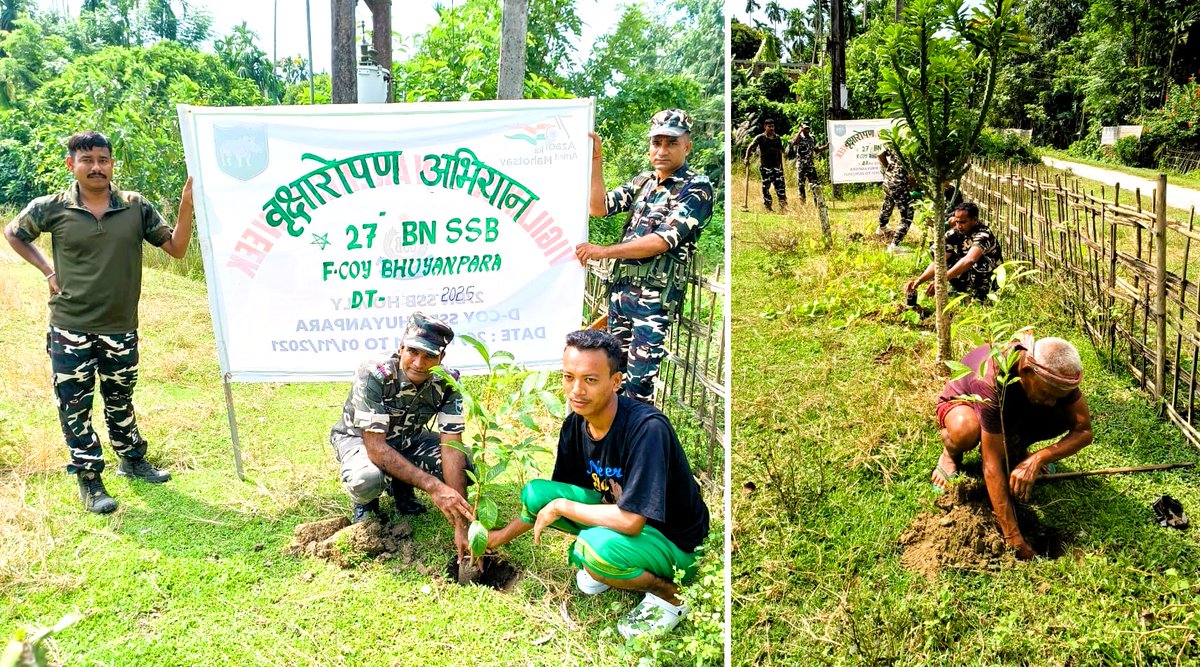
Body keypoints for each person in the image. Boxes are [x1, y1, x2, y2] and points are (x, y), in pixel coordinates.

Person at [2, 130, 194, 514]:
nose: (96, 167)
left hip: (121, 326)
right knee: (75, 405)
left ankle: (132, 459)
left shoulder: (134, 207)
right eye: (87, 160)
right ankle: (90, 480)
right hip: (70, 326)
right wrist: (47, 271)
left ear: (111, 164)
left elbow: (176, 248)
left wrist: (187, 205)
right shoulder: (52, 207)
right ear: (71, 164)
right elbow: (14, 233)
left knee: (120, 398)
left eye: (103, 160)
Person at [486, 330, 710, 639]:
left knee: (593, 551)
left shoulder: (647, 429)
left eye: (590, 380)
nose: (576, 390)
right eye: (568, 377)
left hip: (676, 542)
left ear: (616, 382)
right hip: (621, 517)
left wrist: (563, 506)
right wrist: (497, 538)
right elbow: (559, 500)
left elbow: (631, 521)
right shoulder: (575, 425)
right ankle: (612, 563)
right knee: (537, 494)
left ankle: (670, 596)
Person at [577, 109, 714, 403]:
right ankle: (615, 444)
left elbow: (662, 240)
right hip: (621, 296)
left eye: (671, 143)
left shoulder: (696, 188)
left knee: (638, 387)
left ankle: (640, 446)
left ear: (687, 146)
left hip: (652, 302)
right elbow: (598, 207)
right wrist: (596, 160)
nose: (662, 150)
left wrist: (604, 251)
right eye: (657, 142)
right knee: (613, 380)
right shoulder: (643, 182)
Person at [932, 333, 1093, 560]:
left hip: (1010, 409)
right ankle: (950, 454)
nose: (1051, 402)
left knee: (1061, 415)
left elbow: (1083, 430)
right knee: (965, 431)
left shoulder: (1055, 376)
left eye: (1058, 396)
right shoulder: (992, 379)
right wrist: (1012, 535)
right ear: (1027, 372)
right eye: (1047, 393)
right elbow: (990, 464)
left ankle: (1017, 450)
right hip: (967, 403)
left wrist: (1038, 458)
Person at [328, 313, 474, 559]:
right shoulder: (375, 374)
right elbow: (376, 447)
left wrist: (462, 524)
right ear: (401, 347)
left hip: (410, 439)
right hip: (361, 440)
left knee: (465, 463)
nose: (419, 363)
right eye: (413, 352)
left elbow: (451, 447)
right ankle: (366, 504)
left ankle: (402, 486)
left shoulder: (448, 383)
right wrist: (435, 488)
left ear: (441, 357)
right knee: (367, 478)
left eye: (429, 356)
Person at [905, 202, 1003, 302]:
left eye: (963, 222)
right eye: (956, 222)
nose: (959, 226)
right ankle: (960, 289)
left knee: (978, 263)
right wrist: (919, 281)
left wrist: (941, 280)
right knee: (939, 254)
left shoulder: (983, 234)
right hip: (971, 273)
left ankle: (980, 295)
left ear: (974, 220)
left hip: (989, 277)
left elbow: (970, 260)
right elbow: (939, 261)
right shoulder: (955, 233)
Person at [876, 145, 917, 254]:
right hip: (900, 184)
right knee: (907, 215)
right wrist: (914, 186)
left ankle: (882, 227)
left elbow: (880, 154)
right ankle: (894, 245)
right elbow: (911, 174)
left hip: (889, 179)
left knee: (888, 203)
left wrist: (890, 167)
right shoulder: (913, 145)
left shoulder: (896, 141)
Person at [743, 118, 787, 211]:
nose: (771, 128)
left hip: (776, 167)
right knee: (766, 188)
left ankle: (783, 206)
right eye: (769, 126)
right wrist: (746, 158)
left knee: (780, 187)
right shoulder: (760, 137)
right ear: (765, 127)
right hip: (765, 167)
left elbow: (779, 152)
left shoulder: (777, 138)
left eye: (772, 126)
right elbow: (751, 146)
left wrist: (781, 167)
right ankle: (768, 206)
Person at [787, 122, 827, 205]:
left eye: (808, 128)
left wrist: (825, 147)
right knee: (801, 185)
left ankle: (817, 203)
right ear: (801, 128)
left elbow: (816, 149)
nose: (807, 130)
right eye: (805, 128)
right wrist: (800, 131)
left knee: (815, 184)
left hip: (810, 165)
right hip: (801, 165)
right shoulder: (798, 137)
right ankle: (803, 204)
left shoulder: (812, 138)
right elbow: (794, 143)